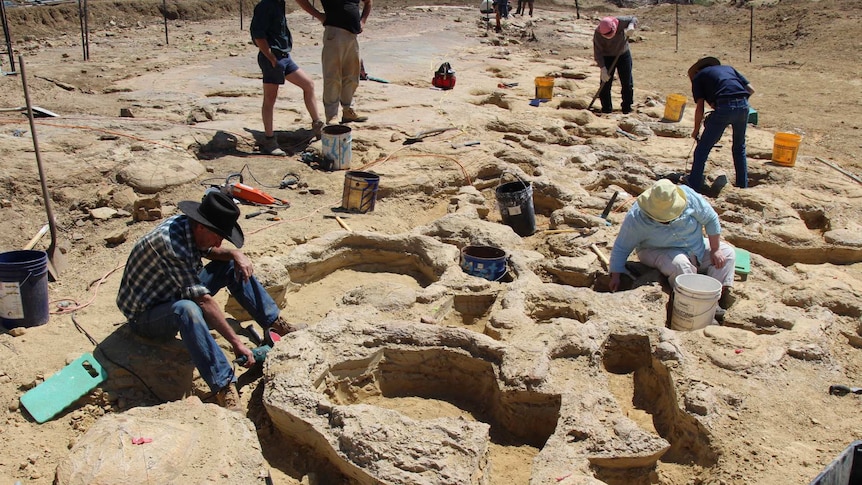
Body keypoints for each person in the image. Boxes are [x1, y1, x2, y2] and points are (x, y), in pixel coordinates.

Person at [116, 190, 305, 411]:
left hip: (170, 292)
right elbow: (203, 301)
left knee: (229, 266)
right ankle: (223, 385)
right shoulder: (170, 243)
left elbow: (209, 250)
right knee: (187, 308)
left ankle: (275, 324)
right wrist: (236, 342)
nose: (220, 241)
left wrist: (235, 255)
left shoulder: (190, 229)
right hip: (145, 316)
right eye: (218, 235)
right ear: (201, 226)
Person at [608, 179, 736, 319]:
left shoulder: (690, 197)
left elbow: (711, 219)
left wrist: (715, 249)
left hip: (694, 246)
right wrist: (616, 274)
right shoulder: (637, 216)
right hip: (656, 249)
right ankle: (691, 308)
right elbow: (622, 245)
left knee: (727, 254)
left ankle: (712, 303)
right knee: (681, 265)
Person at [250, 0, 324, 157]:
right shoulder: (265, 6)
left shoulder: (279, 3)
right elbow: (258, 35)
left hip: (284, 56)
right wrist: (270, 56)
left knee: (308, 84)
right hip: (273, 58)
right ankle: (269, 140)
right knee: (270, 98)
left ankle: (317, 125)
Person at [295, 0, 371, 124]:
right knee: (332, 76)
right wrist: (319, 16)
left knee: (352, 76)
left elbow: (368, 2)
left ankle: (348, 110)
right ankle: (332, 115)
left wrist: (363, 21)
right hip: (334, 33)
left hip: (352, 35)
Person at [687, 56, 755, 193]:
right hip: (744, 106)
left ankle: (693, 186)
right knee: (739, 147)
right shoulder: (728, 69)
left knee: (702, 149)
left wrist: (696, 130)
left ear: (697, 71)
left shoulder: (698, 77)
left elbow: (700, 107)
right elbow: (751, 90)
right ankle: (743, 186)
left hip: (724, 107)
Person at [593, 15, 637, 114]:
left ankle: (627, 107)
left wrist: (631, 26)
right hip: (607, 57)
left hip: (623, 54)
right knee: (605, 84)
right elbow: (598, 52)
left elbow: (633, 18)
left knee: (627, 82)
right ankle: (606, 109)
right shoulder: (598, 33)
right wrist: (603, 68)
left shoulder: (619, 22)